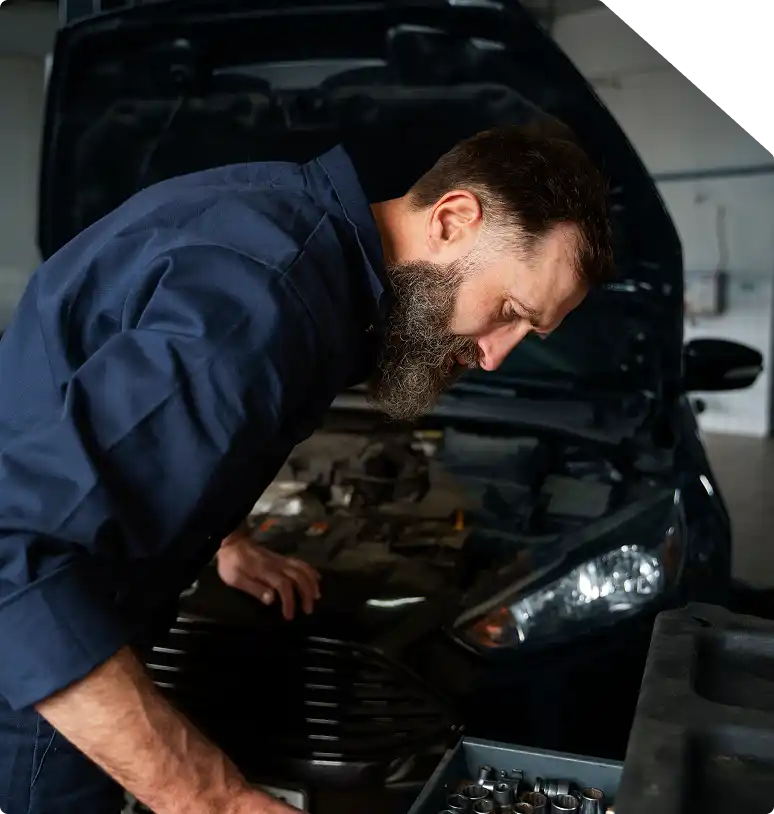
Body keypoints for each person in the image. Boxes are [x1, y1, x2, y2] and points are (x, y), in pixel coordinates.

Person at [0, 121, 612, 813]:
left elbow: (138, 417)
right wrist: (214, 797)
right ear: (452, 220)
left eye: (529, 333)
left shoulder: (290, 224)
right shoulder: (263, 305)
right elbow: (15, 550)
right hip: (33, 678)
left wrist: (222, 537)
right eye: (509, 311)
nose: (498, 353)